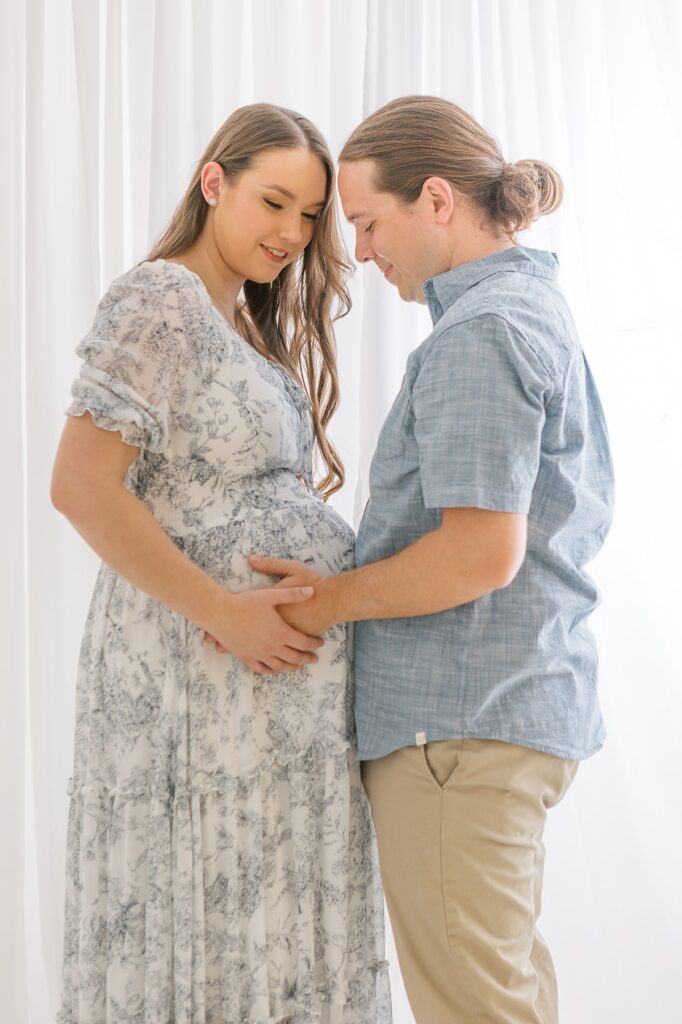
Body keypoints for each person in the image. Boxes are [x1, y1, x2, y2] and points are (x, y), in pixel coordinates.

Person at [234, 96, 615, 1024]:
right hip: (491, 721)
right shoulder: (527, 307)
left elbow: (480, 553)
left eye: (366, 223)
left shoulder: (481, 331)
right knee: (502, 992)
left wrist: (321, 604)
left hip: (456, 730)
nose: (360, 252)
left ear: (436, 199)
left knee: (478, 1008)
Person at [51, 103, 391, 1024]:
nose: (292, 231)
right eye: (273, 201)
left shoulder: (242, 319)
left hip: (267, 700)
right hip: (194, 683)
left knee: (275, 915)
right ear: (214, 183)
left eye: (312, 214)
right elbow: (82, 486)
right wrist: (223, 611)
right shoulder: (161, 298)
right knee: (203, 902)